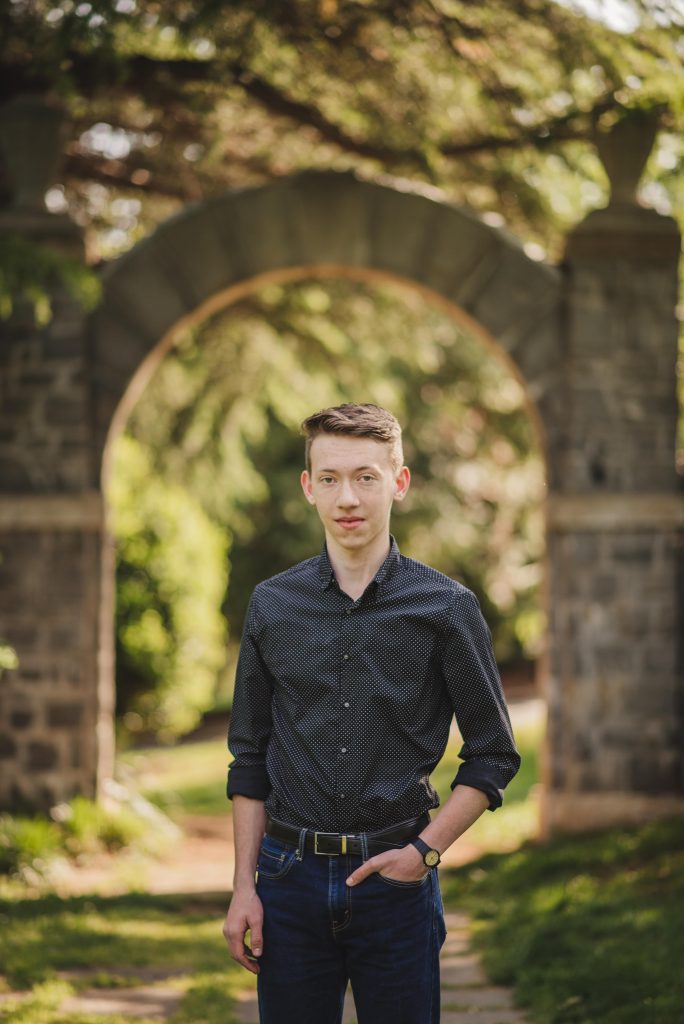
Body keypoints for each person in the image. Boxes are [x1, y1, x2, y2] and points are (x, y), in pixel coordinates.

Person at [223, 402, 521, 1024]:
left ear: (399, 482)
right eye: (328, 479)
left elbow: (494, 753)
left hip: (396, 882)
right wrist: (244, 887)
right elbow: (249, 758)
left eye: (366, 476)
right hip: (287, 879)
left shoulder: (445, 608)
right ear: (308, 488)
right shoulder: (273, 605)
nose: (347, 498)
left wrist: (425, 852)